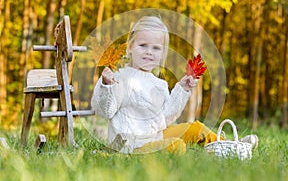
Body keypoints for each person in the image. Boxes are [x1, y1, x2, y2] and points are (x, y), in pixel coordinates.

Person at [91, 16, 258, 154]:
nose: (149, 52)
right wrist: (107, 85)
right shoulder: (120, 77)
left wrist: (182, 89)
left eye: (156, 48)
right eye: (143, 45)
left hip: (155, 136)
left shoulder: (159, 84)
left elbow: (166, 118)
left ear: (162, 53)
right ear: (130, 47)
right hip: (130, 146)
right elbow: (105, 111)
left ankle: (227, 146)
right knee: (175, 145)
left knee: (196, 128)